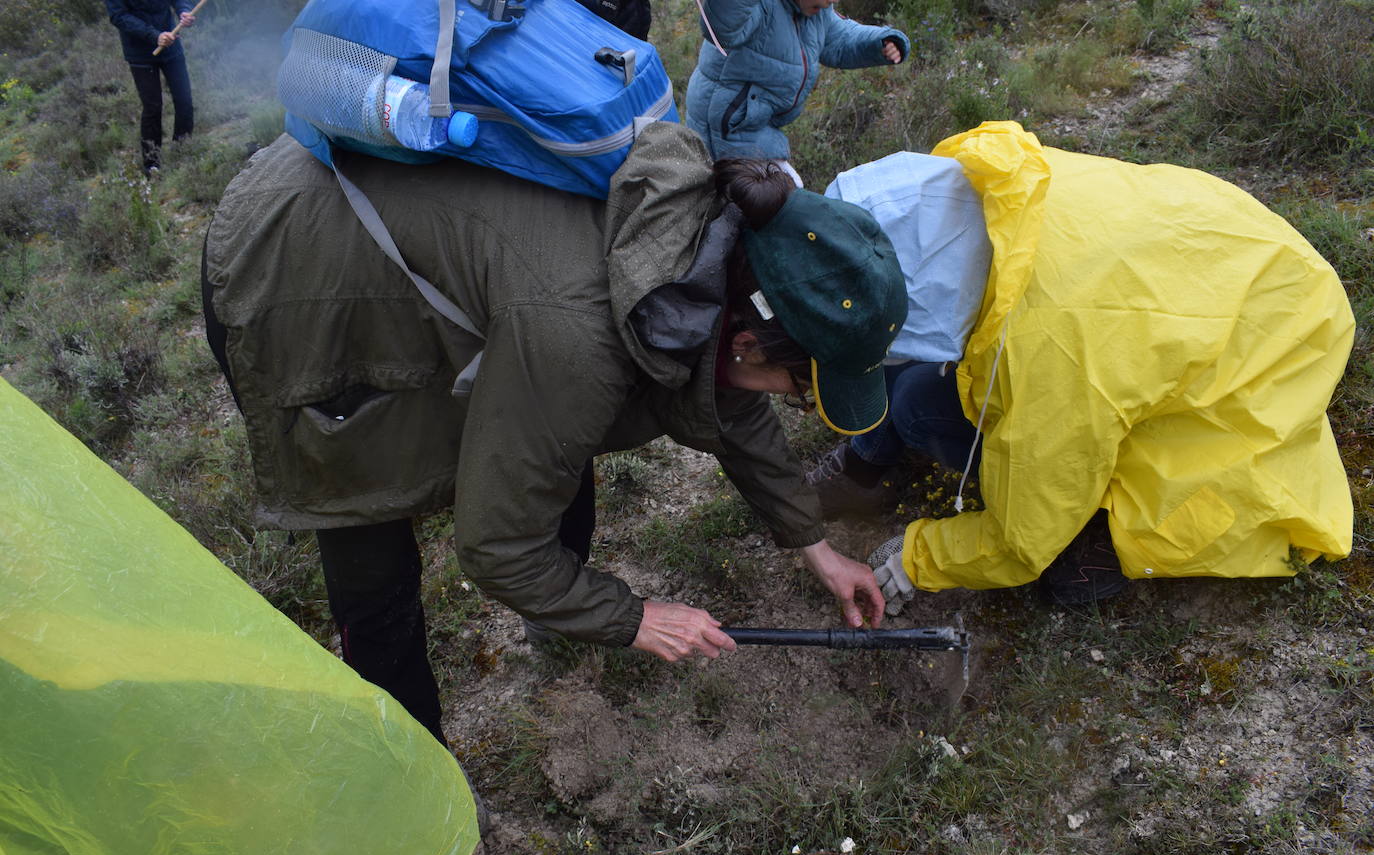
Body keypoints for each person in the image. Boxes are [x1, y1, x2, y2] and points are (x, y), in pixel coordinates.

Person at [201, 121, 907, 744]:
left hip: (422, 238)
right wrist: (636, 618)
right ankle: (415, 775)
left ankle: (558, 613)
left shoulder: (712, 246)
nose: (794, 403)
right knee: (371, 539)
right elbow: (497, 545)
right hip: (290, 263)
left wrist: (815, 547)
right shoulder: (579, 340)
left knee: (553, 429)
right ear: (752, 342)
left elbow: (728, 402)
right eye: (802, 390)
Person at [809, 121, 1355, 605]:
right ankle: (867, 463)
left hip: (1269, 350)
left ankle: (1103, 527)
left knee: (930, 414)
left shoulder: (1054, 363)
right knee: (917, 386)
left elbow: (1021, 542)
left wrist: (918, 558)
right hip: (1230, 271)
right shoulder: (991, 189)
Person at [685, 0, 909, 164]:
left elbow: (840, 37)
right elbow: (722, 27)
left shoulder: (816, 10)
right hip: (727, 127)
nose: (830, 1)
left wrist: (880, 43)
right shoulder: (761, 6)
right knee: (738, 211)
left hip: (759, 124)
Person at [104, 0, 196, 174]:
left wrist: (184, 11)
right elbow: (119, 17)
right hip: (140, 54)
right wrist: (154, 35)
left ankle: (182, 151)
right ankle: (152, 164)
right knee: (153, 107)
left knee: (184, 100)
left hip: (171, 47)